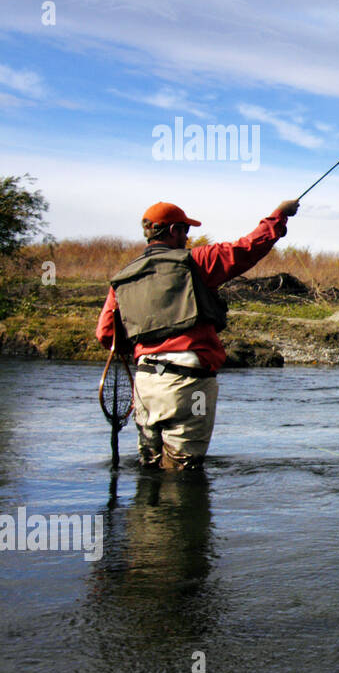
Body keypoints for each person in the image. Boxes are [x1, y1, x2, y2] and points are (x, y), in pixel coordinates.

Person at [95, 200, 300, 472]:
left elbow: (106, 335)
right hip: (189, 382)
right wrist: (279, 217)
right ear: (172, 230)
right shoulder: (196, 261)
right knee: (183, 472)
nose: (187, 237)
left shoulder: (121, 279)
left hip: (145, 384)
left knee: (150, 468)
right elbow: (247, 249)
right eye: (184, 230)